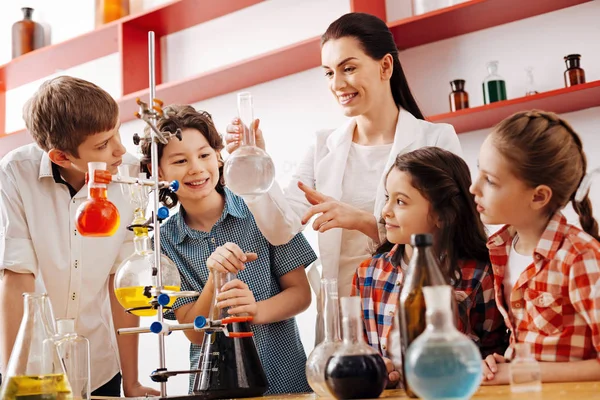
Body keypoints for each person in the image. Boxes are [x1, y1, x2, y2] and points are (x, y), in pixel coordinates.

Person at [224, 12, 462, 305]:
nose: (337, 84)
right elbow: (281, 229)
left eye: (348, 68)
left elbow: (453, 232)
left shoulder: (435, 139)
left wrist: (363, 222)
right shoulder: (323, 145)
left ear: (385, 66)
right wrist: (257, 162)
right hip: (343, 311)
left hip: (412, 306)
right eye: (328, 72)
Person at [139, 105, 317, 394]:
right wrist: (214, 279)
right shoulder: (163, 242)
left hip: (286, 382)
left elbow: (301, 294)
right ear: (157, 171)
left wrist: (254, 310)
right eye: (181, 160)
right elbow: (194, 333)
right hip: (215, 387)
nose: (196, 168)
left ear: (219, 157)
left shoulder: (258, 206)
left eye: (204, 155)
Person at [0, 76, 157, 397]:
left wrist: (131, 381)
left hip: (98, 364)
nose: (120, 149)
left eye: (117, 133)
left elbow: (123, 283)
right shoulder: (15, 173)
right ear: (60, 156)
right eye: (102, 145)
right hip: (29, 365)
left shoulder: (129, 174)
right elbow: (16, 277)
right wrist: (13, 379)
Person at [353, 147, 507, 387]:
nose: (386, 211)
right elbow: (357, 349)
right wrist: (374, 368)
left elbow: (493, 352)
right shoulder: (368, 274)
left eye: (401, 201)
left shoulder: (479, 276)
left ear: (443, 215)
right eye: (387, 198)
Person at [470, 110, 600, 384]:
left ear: (539, 196)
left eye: (490, 180)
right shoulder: (500, 249)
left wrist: (522, 371)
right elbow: (537, 344)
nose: (474, 187)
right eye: (478, 172)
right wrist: (507, 360)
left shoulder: (579, 257)